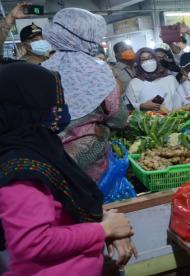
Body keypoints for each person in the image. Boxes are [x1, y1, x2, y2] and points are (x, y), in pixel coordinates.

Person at [0, 62, 136, 274]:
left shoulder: (40, 148)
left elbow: (65, 210)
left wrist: (106, 225)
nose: (61, 110)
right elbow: (33, 243)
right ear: (28, 107)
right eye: (52, 102)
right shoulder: (21, 170)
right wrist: (104, 229)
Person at [42, 8, 128, 183]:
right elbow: (118, 118)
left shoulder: (39, 70)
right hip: (89, 161)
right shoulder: (99, 71)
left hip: (45, 160)